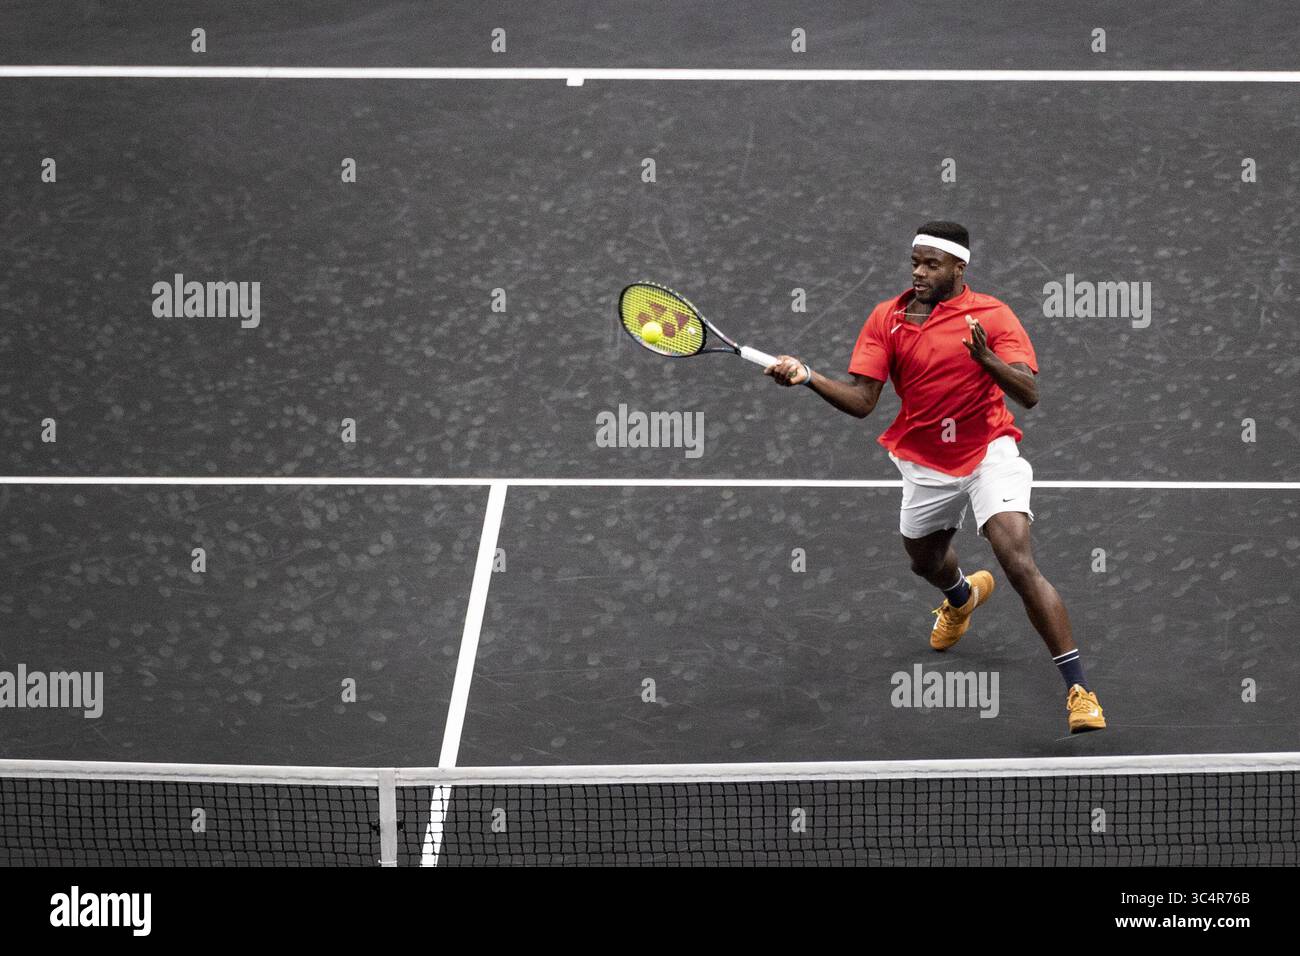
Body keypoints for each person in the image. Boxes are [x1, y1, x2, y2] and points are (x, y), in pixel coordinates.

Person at [766, 221, 1105, 734]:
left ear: (958, 268)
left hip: (989, 449)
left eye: (931, 264)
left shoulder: (992, 316)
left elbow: (1029, 393)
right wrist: (809, 376)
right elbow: (863, 402)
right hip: (924, 460)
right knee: (923, 560)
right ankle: (961, 597)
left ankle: (1080, 691)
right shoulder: (887, 318)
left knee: (1016, 560)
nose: (919, 272)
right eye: (915, 262)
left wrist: (985, 358)